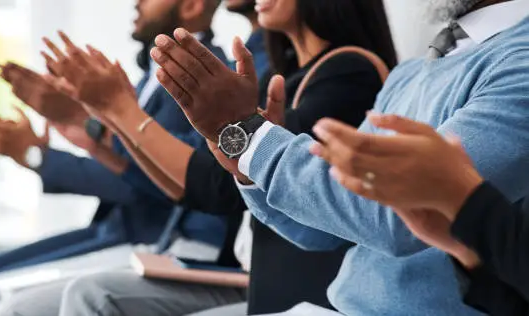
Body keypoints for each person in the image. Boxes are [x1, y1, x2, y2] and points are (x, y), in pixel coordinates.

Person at [148, 0, 529, 314]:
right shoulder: (412, 71)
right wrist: (243, 157)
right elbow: (320, 231)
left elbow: (400, 219)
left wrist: (248, 135)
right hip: (338, 306)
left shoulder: (519, 63)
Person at [55, 0, 396, 315]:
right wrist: (114, 113)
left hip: (293, 285)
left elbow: (214, 183)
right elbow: (189, 188)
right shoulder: (286, 70)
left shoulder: (348, 73)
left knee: (88, 295)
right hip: (254, 270)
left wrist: (119, 109)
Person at [0, 0, 229, 315]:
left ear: (191, 6)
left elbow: (153, 181)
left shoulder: (197, 79)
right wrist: (75, 127)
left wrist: (54, 145)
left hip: (151, 236)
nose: (138, 2)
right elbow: (129, 160)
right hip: (125, 230)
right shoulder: (151, 77)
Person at [311, 113, 529, 316]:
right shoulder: (404, 76)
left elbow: (384, 222)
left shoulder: (515, 82)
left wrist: (464, 200)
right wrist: (464, 250)